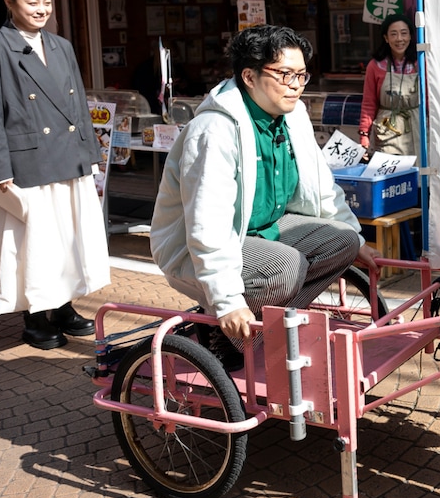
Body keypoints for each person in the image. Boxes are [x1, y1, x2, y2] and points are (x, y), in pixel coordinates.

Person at [150, 25, 378, 363]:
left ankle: (263, 329)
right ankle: (224, 329)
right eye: (285, 74)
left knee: (342, 240)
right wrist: (227, 300)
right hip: (197, 248)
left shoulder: (293, 115)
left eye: (301, 75)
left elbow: (321, 184)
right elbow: (207, 224)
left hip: (264, 229)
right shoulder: (215, 130)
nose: (296, 86)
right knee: (286, 268)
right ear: (249, 76)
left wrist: (357, 239)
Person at [0, 0, 110, 349]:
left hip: (68, 158)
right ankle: (34, 319)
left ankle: (63, 308)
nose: (41, 10)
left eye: (46, 3)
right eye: (32, 2)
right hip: (25, 163)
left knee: (67, 239)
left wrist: (90, 153)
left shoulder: (61, 45)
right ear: (9, 4)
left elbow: (78, 103)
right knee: (33, 244)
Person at [358, 13, 418, 157]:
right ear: (386, 38)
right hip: (387, 130)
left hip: (417, 127)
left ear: (410, 36)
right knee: (390, 175)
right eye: (393, 34)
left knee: (418, 174)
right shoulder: (375, 65)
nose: (399, 39)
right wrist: (364, 134)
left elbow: (430, 99)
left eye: (404, 33)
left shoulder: (421, 63)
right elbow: (369, 103)